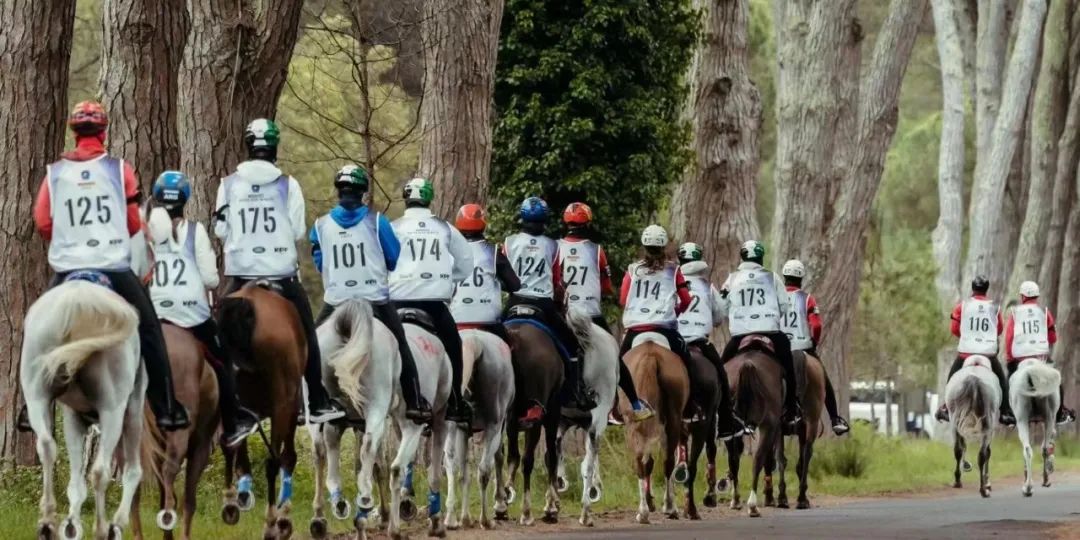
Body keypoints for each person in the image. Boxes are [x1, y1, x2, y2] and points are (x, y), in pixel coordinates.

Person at [19, 100, 189, 432]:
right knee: (150, 328)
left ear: (73, 132)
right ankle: (167, 407)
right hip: (112, 267)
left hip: (68, 269)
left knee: (35, 328)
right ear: (103, 132)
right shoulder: (119, 169)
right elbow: (132, 222)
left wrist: (68, 239)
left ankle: (31, 405)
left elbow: (42, 222)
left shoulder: (55, 173)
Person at [213, 118, 344, 424]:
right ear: (274, 147)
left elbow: (220, 229)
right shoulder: (288, 184)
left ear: (248, 146)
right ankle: (317, 399)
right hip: (281, 274)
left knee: (217, 335)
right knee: (308, 333)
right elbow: (297, 230)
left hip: (241, 275)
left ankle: (221, 401)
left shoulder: (228, 184)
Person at [310, 165, 432, 424]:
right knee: (401, 343)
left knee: (308, 347)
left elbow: (320, 263)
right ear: (363, 192)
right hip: (374, 300)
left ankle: (307, 403)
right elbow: (393, 258)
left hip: (336, 300)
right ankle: (415, 401)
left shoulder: (320, 225)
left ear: (338, 191)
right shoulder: (377, 221)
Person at [146, 171, 259, 447]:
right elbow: (211, 279)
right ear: (185, 199)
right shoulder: (194, 232)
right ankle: (232, 422)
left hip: (154, 313)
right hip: (190, 315)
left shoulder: (144, 231)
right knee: (222, 360)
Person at [389, 177, 473, 423]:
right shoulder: (445, 228)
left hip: (398, 300)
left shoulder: (393, 227)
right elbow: (466, 264)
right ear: (429, 199)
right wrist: (446, 279)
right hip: (433, 303)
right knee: (454, 345)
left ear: (406, 198)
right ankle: (455, 401)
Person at [504, 196, 597, 412]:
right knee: (572, 344)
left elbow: (504, 275)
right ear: (545, 221)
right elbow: (556, 281)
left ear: (522, 218)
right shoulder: (553, 246)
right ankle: (576, 392)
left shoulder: (509, 242)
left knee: (492, 331)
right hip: (543, 305)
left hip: (515, 301)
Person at [617, 225, 698, 421]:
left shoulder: (633, 270)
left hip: (635, 330)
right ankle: (691, 405)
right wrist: (676, 311)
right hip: (665, 329)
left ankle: (614, 408)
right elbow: (686, 300)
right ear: (664, 247)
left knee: (616, 368)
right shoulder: (674, 270)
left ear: (644, 246)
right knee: (688, 362)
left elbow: (623, 300)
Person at [716, 240, 801, 428]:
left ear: (742, 257)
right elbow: (785, 306)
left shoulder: (732, 279)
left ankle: (719, 411)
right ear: (761, 258)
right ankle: (791, 408)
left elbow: (722, 307)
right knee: (789, 366)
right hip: (770, 331)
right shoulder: (772, 277)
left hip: (740, 334)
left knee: (720, 371)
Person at [676, 242, 748, 439]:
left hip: (673, 340)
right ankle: (726, 422)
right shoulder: (707, 286)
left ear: (680, 259)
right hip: (699, 340)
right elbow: (719, 316)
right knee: (722, 376)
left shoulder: (670, 281)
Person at [779, 259, 850, 436]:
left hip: (780, 348)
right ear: (801, 279)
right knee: (824, 381)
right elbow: (816, 325)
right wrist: (813, 342)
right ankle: (835, 419)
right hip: (803, 346)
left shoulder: (776, 297)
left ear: (784, 277)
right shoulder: (807, 298)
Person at [933, 276, 1015, 426]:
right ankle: (1005, 412)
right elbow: (999, 329)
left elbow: (954, 329)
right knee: (1001, 380)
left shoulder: (962, 306)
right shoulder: (994, 308)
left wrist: (967, 335)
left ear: (972, 288)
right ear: (986, 289)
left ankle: (946, 407)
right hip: (988, 354)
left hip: (966, 353)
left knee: (952, 377)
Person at [449, 203, 521, 347]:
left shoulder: (448, 252)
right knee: (512, 348)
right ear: (483, 224)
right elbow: (515, 286)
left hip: (456, 319)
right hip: (488, 320)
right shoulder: (493, 252)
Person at [1004, 281, 1074, 424]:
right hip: (1041, 357)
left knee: (1008, 380)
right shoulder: (1044, 312)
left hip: (1020, 358)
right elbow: (1053, 338)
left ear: (1023, 296)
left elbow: (1009, 338)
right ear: (1037, 296)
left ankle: (1009, 412)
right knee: (1056, 381)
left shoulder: (1015, 314)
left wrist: (1010, 358)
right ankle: (1059, 413)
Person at [558, 202, 615, 332]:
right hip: (590, 312)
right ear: (587, 224)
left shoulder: (554, 247)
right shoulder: (597, 250)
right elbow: (606, 287)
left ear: (566, 224)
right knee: (611, 342)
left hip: (563, 312)